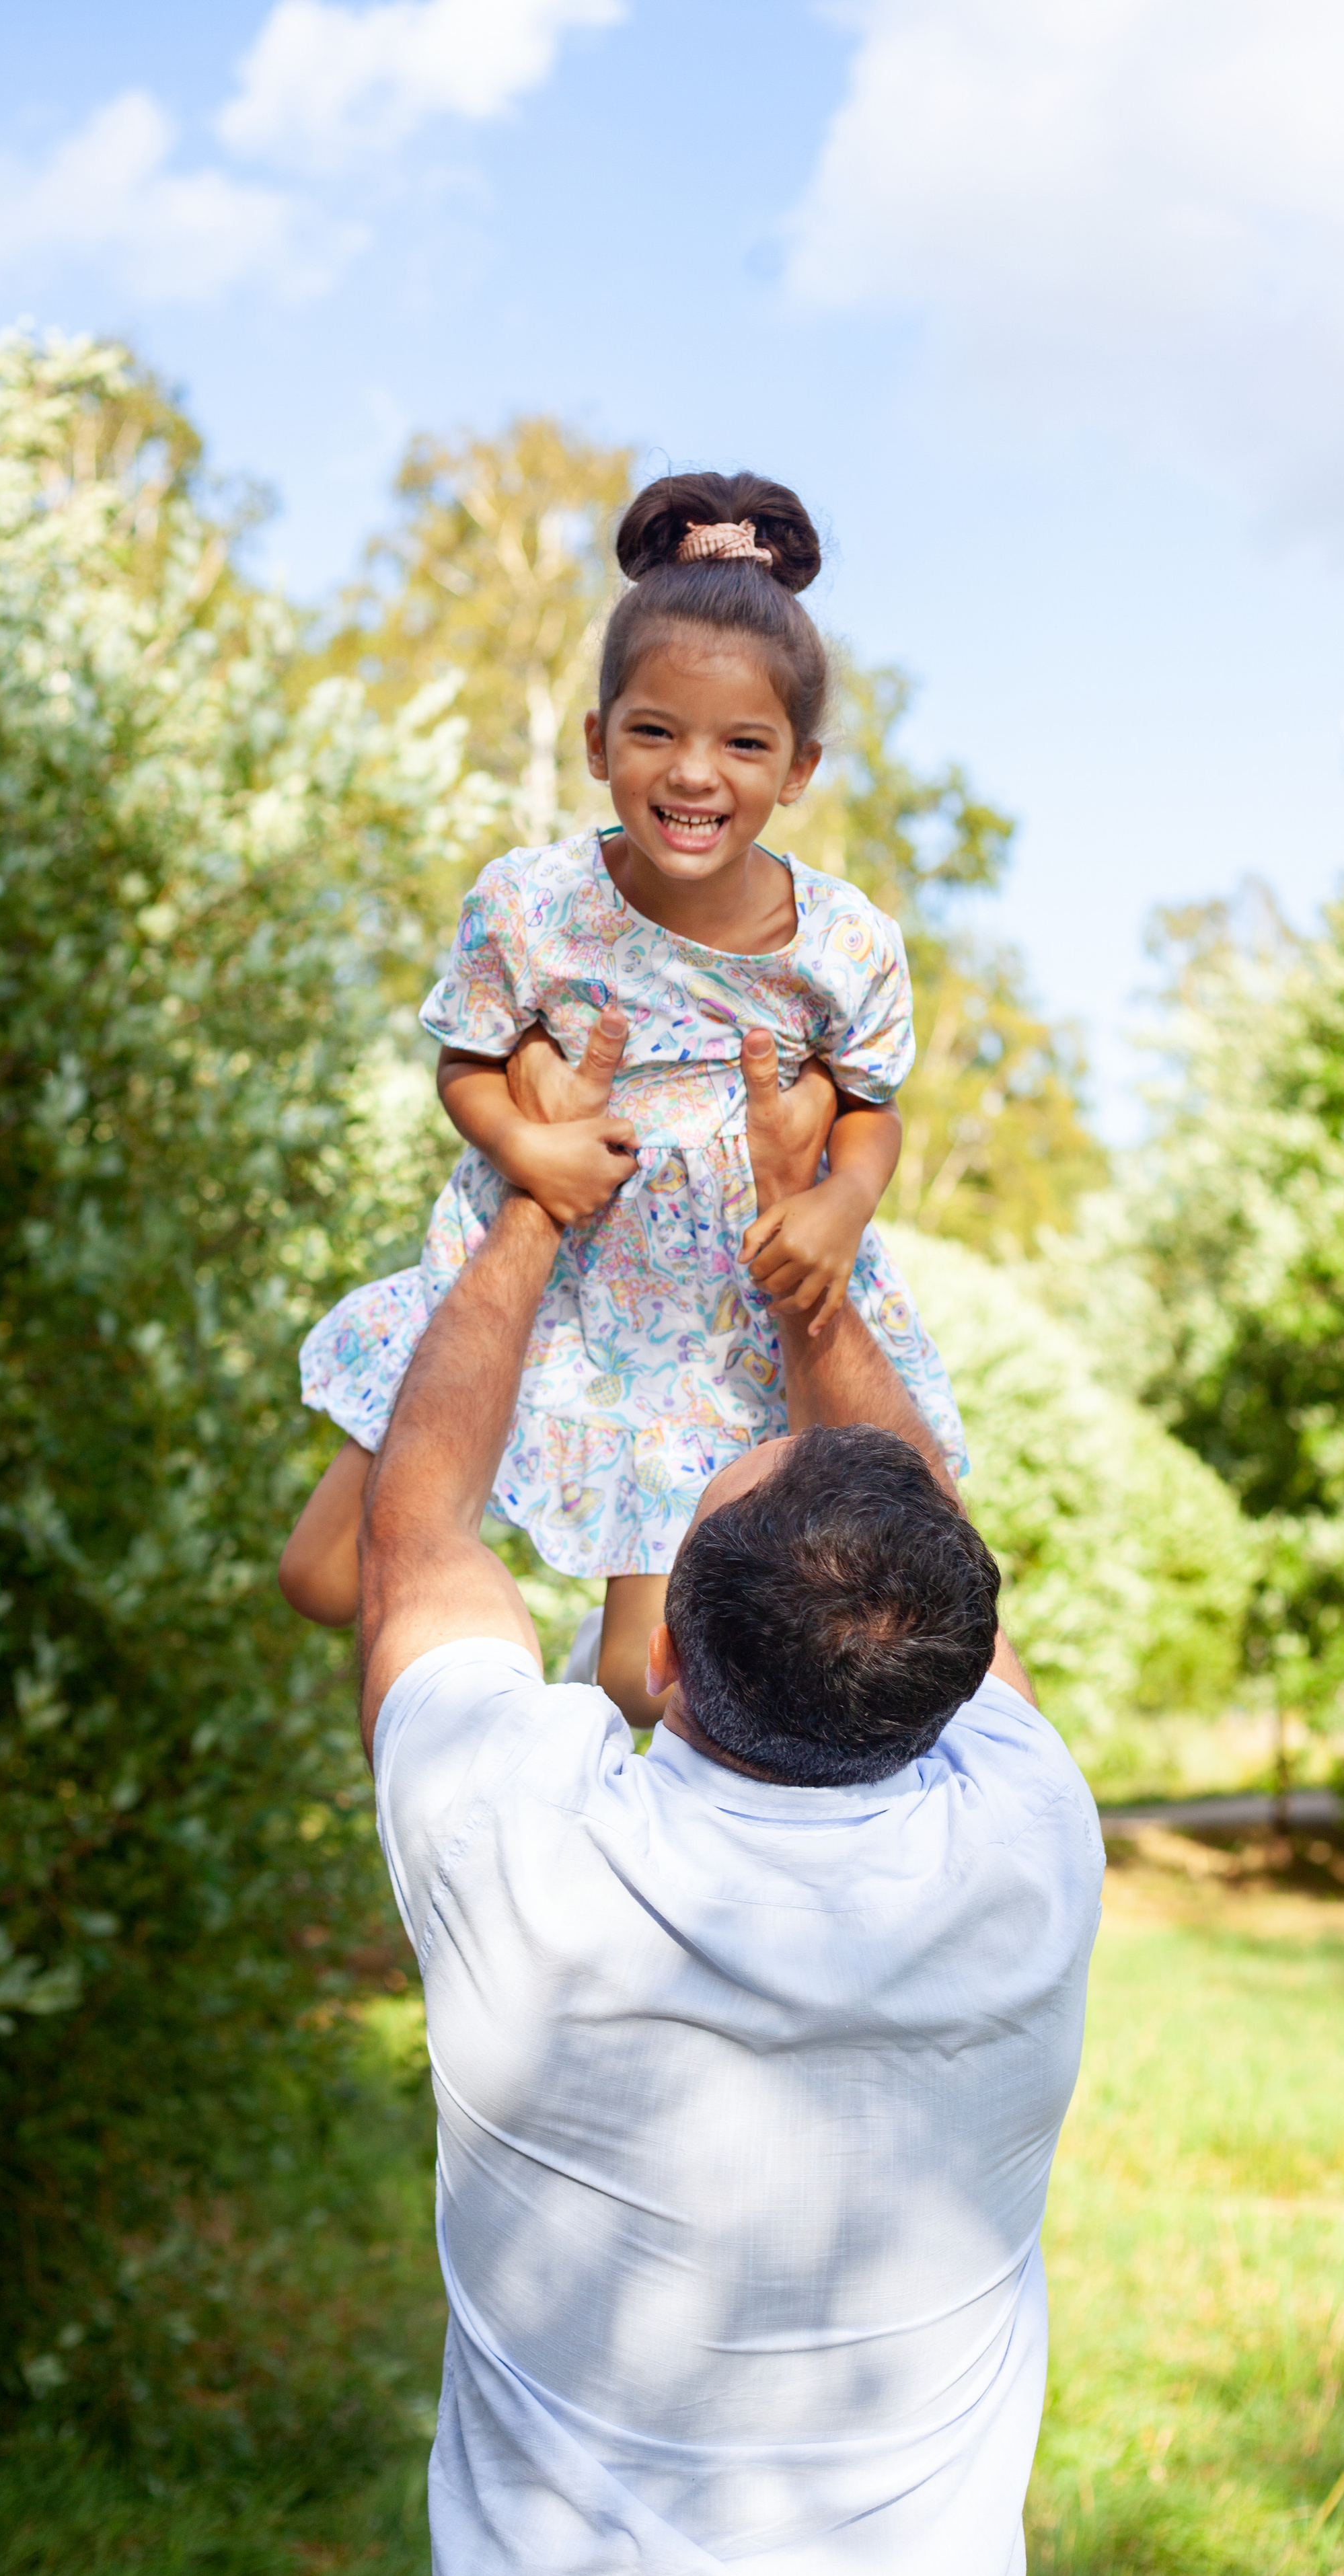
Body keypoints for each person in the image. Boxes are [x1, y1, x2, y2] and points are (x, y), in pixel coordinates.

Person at [344, 1022, 1105, 2576]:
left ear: (663, 1659)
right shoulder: (1030, 1853)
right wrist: (800, 1262)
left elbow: (413, 1542)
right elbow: (916, 1531)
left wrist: (533, 1200)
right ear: (954, 1669)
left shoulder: (525, 1861)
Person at [283, 469, 965, 1728]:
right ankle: (486, 1662)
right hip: (530, 1268)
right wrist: (524, 1147)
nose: (694, 773)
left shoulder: (847, 945)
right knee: (323, 1575)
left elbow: (872, 1104)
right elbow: (468, 1059)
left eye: (743, 744)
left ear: (799, 767)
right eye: (654, 732)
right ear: (597, 740)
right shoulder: (532, 905)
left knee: (634, 1671)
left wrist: (845, 1207)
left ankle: (596, 1830)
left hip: (704, 1325)